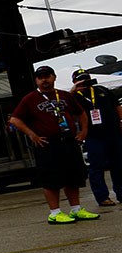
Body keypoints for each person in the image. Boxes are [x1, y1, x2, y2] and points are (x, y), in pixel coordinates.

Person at [9, 66, 97, 224]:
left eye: (47, 76)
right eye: (40, 77)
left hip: (69, 142)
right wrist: (32, 134)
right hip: (48, 144)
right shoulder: (30, 98)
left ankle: (76, 209)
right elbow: (15, 120)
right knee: (51, 179)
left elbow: (81, 113)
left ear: (54, 77)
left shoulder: (64, 95)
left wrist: (84, 131)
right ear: (36, 80)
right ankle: (55, 213)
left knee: (72, 176)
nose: (44, 80)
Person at [71, 69, 122, 208]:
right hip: (94, 136)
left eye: (86, 79)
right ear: (75, 81)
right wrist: (74, 90)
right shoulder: (74, 96)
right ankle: (102, 197)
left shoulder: (102, 90)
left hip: (114, 133)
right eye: (81, 80)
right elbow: (65, 106)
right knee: (97, 167)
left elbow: (116, 106)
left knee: (118, 165)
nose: (85, 82)